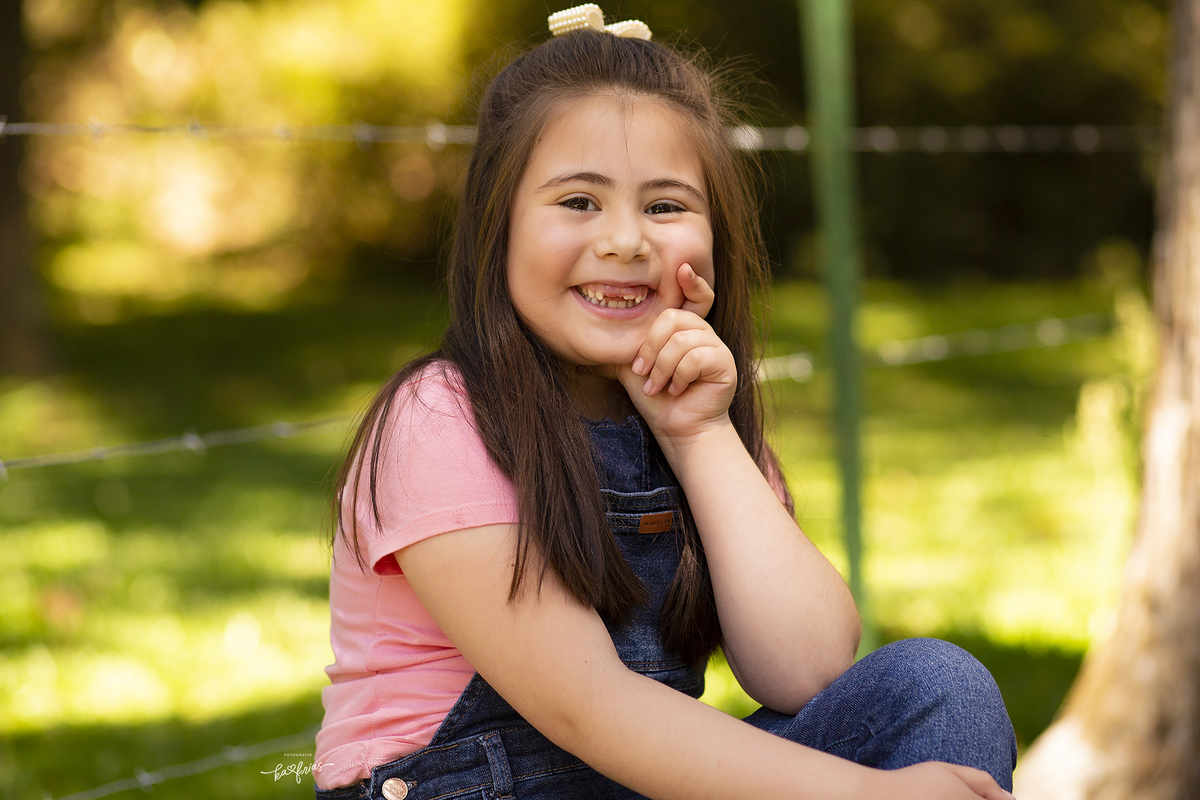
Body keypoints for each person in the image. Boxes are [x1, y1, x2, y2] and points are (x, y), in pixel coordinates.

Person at [313, 6, 1018, 799]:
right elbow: (591, 708)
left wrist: (698, 433)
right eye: (578, 201)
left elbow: (809, 670)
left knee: (934, 687)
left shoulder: (694, 416)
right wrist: (872, 795)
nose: (627, 241)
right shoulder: (441, 421)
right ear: (497, 226)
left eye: (665, 206)